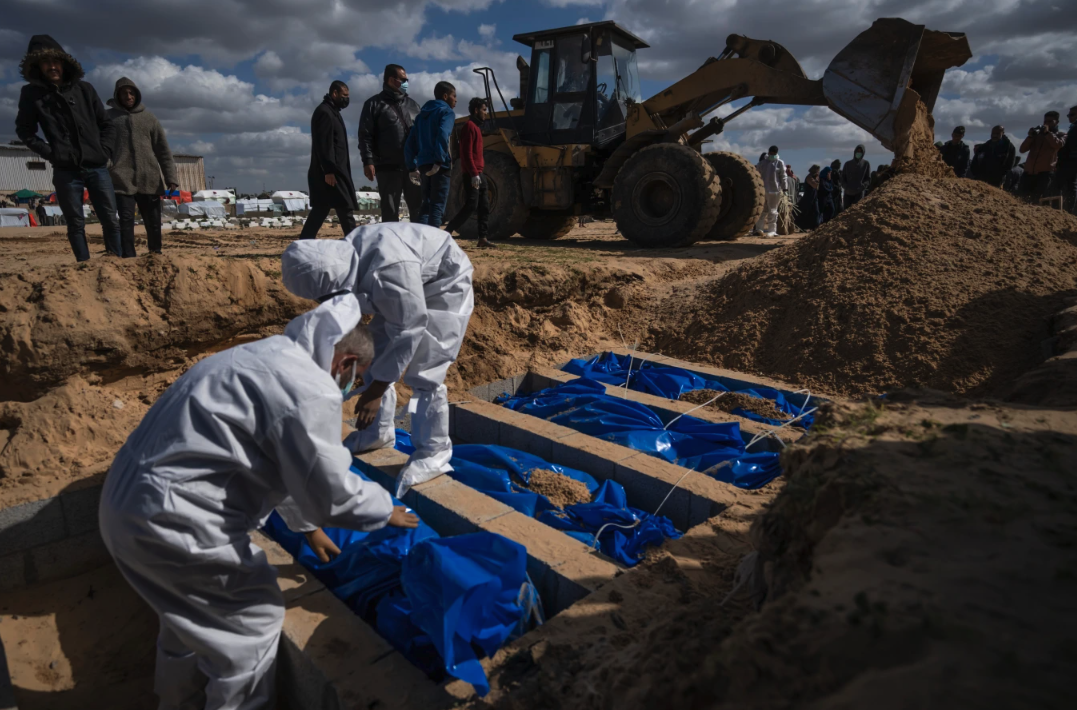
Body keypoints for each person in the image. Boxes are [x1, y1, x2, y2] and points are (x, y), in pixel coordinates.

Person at [98, 293, 419, 710]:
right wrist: (383, 509)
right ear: (344, 363)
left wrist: (308, 528)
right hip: (177, 522)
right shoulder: (309, 387)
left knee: (188, 626)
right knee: (249, 628)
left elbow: (271, 458)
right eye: (356, 381)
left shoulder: (259, 356)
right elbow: (329, 489)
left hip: (127, 506)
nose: (349, 390)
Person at [281, 221, 474, 497]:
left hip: (444, 283)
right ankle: (378, 433)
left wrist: (376, 391)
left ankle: (434, 451)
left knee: (424, 374)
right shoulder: (344, 259)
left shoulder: (389, 270)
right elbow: (350, 312)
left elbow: (410, 326)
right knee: (375, 353)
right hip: (409, 285)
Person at [15, 35, 122, 262]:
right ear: (38, 66)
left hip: (97, 165)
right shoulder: (31, 95)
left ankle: (116, 265)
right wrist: (53, 154)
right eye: (46, 62)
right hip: (65, 169)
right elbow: (25, 131)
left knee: (110, 219)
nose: (52, 66)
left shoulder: (85, 89)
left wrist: (104, 151)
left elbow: (107, 124)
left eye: (56, 61)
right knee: (75, 223)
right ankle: (84, 267)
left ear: (64, 63)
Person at [106, 77, 178, 256]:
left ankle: (155, 254)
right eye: (124, 93)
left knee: (153, 221)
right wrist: (109, 167)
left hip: (149, 178)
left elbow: (163, 150)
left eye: (131, 92)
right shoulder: (109, 118)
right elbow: (103, 147)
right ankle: (128, 257)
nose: (128, 96)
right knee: (126, 220)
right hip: (121, 178)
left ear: (137, 94)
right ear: (117, 96)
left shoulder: (149, 118)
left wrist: (171, 178)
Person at [358, 65, 422, 223]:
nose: (407, 83)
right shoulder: (373, 104)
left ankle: (418, 245)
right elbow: (365, 135)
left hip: (413, 167)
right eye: (404, 80)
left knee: (418, 209)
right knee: (390, 212)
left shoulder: (414, 105)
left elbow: (421, 135)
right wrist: (368, 161)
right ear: (392, 80)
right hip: (387, 167)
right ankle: (391, 246)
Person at [298, 81, 357, 240]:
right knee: (344, 208)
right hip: (331, 172)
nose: (346, 99)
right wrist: (329, 170)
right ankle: (355, 244)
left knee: (322, 209)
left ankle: (304, 241)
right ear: (335, 93)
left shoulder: (333, 112)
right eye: (344, 95)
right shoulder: (325, 112)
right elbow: (324, 144)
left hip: (334, 170)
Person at [444, 97, 494, 248]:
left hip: (480, 174)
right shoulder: (469, 127)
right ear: (476, 110)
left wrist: (478, 174)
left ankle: (482, 238)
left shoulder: (476, 128)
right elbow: (466, 154)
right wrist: (473, 174)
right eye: (484, 110)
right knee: (471, 205)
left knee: (484, 206)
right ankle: (448, 230)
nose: (486, 113)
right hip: (472, 174)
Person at [405, 82, 457, 229]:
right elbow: (443, 134)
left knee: (426, 205)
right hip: (439, 165)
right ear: (445, 96)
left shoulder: (421, 116)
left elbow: (410, 142)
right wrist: (439, 160)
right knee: (437, 206)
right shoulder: (447, 112)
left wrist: (411, 166)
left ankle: (421, 239)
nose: (456, 100)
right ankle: (434, 243)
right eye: (454, 96)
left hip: (423, 164)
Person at [1019, 111, 1066, 204]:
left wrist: (1047, 133)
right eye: (1045, 121)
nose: (1046, 123)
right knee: (1022, 198)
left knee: (1038, 199)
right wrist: (1030, 137)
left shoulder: (1061, 135)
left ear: (1057, 122)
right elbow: (1022, 149)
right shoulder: (1037, 136)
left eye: (1050, 121)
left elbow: (1058, 144)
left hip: (1045, 173)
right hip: (1029, 172)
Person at [752, 145, 785, 236]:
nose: (772, 155)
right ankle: (759, 229)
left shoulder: (780, 163)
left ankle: (772, 230)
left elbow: (783, 176)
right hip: (764, 190)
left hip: (775, 190)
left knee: (773, 211)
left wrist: (784, 188)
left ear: (776, 153)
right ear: (769, 152)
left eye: (773, 153)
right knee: (762, 210)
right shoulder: (763, 163)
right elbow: (756, 173)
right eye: (771, 153)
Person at [1054, 105, 1077, 213]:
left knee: (1063, 184)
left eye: (1072, 114)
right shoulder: (1073, 127)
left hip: (1071, 160)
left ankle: (1062, 210)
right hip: (1068, 159)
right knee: (1069, 185)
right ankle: (1068, 210)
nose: (1069, 117)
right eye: (1068, 115)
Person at [794, 164, 821, 231]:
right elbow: (815, 185)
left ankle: (814, 226)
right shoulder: (809, 177)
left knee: (815, 212)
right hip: (808, 198)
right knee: (806, 213)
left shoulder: (816, 177)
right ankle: (802, 227)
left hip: (814, 198)